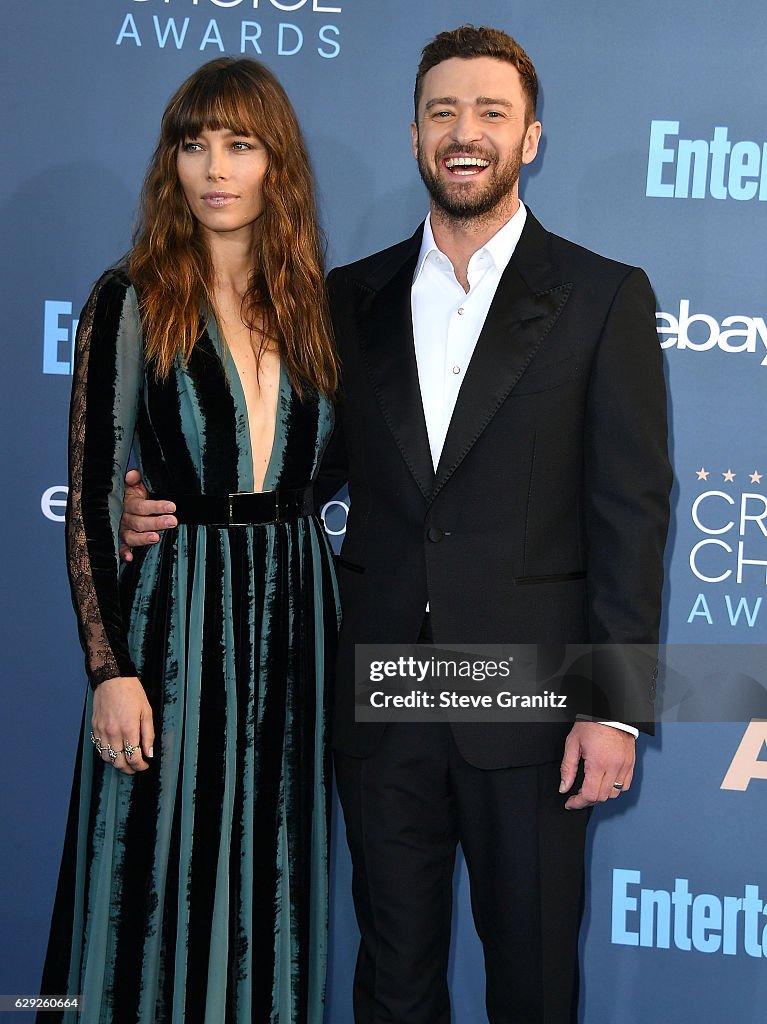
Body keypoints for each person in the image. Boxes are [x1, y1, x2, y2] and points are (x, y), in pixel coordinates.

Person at [121, 26, 672, 1024]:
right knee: (391, 981)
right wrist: (162, 492)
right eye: (443, 112)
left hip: (532, 707)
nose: (465, 133)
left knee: (534, 980)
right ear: (413, 134)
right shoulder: (344, 300)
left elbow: (632, 513)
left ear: (530, 138)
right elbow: (293, 463)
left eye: (489, 114)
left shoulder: (601, 298)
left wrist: (614, 706)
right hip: (381, 700)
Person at [39, 57, 339, 1024]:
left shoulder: (315, 308)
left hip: (297, 623)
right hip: (172, 624)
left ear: (274, 165)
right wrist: (109, 669)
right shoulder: (128, 299)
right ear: (171, 162)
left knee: (274, 865)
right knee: (150, 873)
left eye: (239, 145)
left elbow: (336, 470)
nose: (215, 167)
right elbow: (89, 501)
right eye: (193, 144)